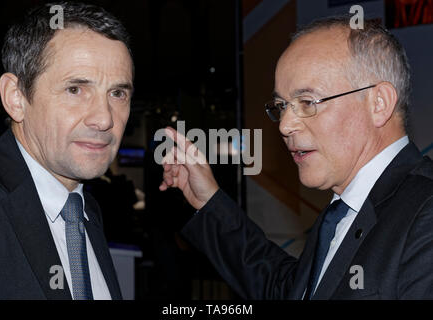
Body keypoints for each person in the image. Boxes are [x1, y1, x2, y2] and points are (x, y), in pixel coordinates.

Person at [159, 16, 433, 299]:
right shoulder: (342, 212)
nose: (284, 125)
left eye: (307, 102)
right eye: (281, 106)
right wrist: (209, 201)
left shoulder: (425, 216)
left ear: (379, 103)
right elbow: (287, 289)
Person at [0, 2, 134, 299]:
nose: (105, 119)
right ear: (16, 98)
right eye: (75, 90)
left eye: (117, 93)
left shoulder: (84, 210)